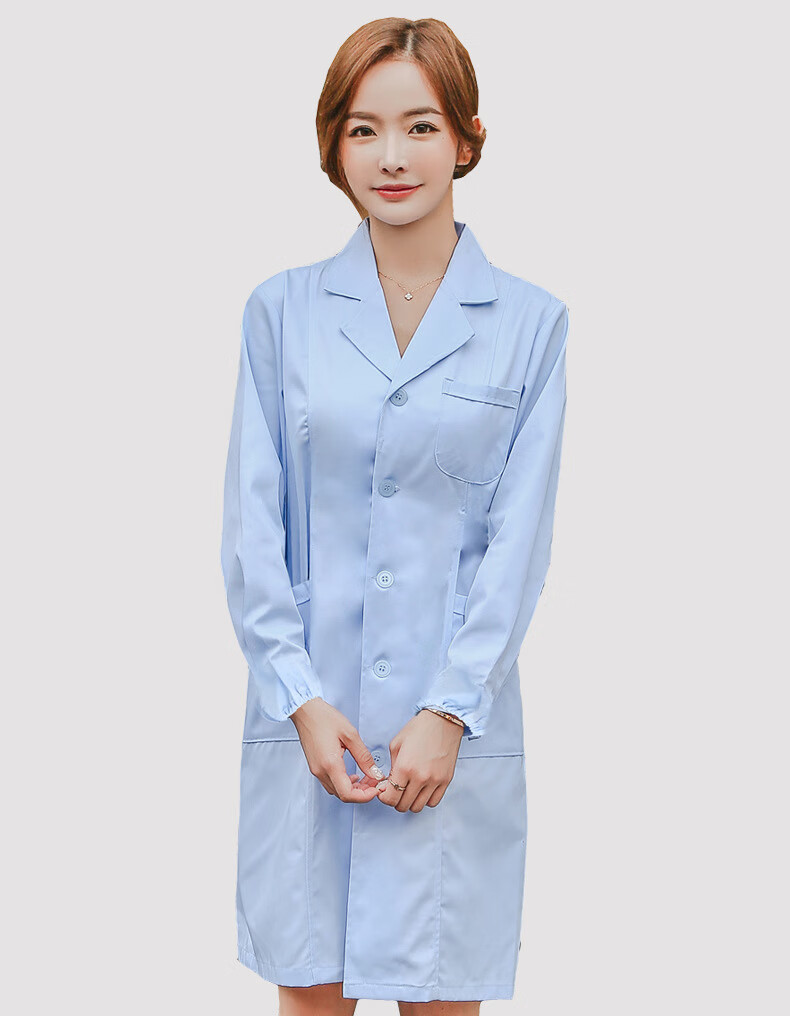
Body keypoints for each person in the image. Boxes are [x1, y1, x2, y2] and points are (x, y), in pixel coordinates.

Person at [220, 16, 569, 1017]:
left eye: (420, 125)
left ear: (466, 137)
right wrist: (299, 697)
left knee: (441, 1003)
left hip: (452, 731)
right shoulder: (280, 313)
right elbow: (252, 527)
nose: (392, 156)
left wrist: (451, 711)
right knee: (311, 996)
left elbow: (518, 545)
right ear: (333, 146)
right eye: (363, 129)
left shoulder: (531, 324)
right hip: (310, 725)